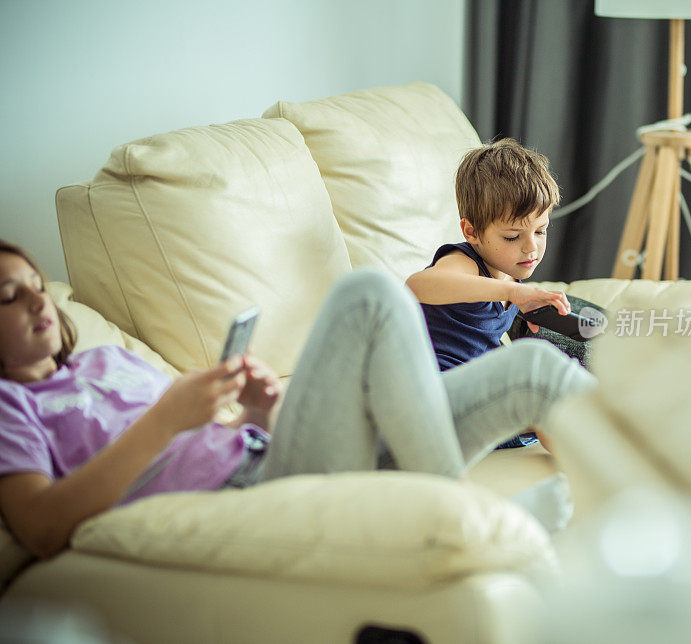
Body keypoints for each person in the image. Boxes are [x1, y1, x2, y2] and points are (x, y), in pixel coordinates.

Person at [0, 239, 595, 559]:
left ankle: (669, 497)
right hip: (251, 489)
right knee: (369, 294)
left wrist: (254, 411)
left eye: (36, 284)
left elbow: (199, 439)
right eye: (10, 294)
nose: (37, 301)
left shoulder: (106, 360)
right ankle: (485, 527)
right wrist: (163, 420)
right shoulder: (10, 406)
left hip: (274, 447)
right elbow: (41, 528)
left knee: (534, 369)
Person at [406, 138, 583, 450]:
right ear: (471, 232)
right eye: (513, 236)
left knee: (570, 383)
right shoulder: (464, 264)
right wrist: (513, 292)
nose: (531, 247)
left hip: (475, 408)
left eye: (540, 231)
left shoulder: (507, 280)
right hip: (435, 401)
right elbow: (419, 285)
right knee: (542, 388)